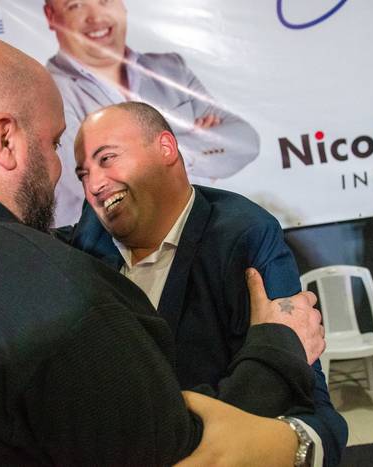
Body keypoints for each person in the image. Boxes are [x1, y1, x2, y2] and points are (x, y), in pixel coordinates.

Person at [0, 36, 324, 465]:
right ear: (5, 142)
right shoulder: (61, 291)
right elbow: (178, 451)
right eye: (56, 148)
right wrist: (277, 354)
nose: (76, 181)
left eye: (106, 159)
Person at [62, 102, 348, 466]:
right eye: (83, 174)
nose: (95, 185)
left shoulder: (243, 236)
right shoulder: (81, 245)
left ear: (166, 148)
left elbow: (307, 396)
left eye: (107, 159)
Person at [40, 0, 260, 225]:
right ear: (51, 15)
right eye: (76, 5)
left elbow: (245, 140)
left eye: (105, 1)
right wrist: (192, 141)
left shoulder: (171, 69)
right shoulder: (46, 91)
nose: (95, 17)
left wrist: (150, 155)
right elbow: (95, 185)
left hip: (201, 232)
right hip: (110, 253)